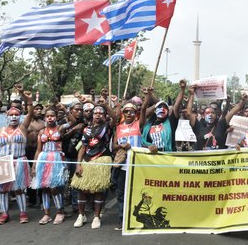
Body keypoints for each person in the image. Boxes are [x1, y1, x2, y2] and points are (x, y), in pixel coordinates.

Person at [0, 86, 34, 225]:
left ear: (20, 116)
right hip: (2, 162)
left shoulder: (23, 127)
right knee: (3, 190)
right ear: (7, 115)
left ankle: (23, 213)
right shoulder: (1, 130)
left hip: (18, 162)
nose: (13, 117)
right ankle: (4, 214)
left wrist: (27, 99)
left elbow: (30, 113)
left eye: (16, 114)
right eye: (11, 114)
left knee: (18, 189)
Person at [71, 100, 117, 229]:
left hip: (102, 159)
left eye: (100, 113)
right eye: (95, 113)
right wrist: (78, 164)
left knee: (98, 190)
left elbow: (115, 117)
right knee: (82, 189)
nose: (97, 115)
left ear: (104, 115)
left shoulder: (108, 126)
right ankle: (81, 215)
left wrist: (106, 105)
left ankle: (96, 217)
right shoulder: (87, 129)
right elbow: (82, 147)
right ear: (92, 115)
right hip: (86, 160)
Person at [31, 104, 75, 225]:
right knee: (44, 188)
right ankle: (46, 214)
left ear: (56, 117)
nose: (50, 118)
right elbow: (38, 150)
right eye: (47, 116)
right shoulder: (41, 132)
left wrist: (65, 110)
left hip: (57, 158)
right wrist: (34, 165)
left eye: (52, 116)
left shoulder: (60, 128)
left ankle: (60, 212)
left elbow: (73, 121)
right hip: (43, 159)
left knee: (55, 187)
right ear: (45, 118)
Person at [111, 100, 145, 230]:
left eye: (131, 111)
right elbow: (113, 146)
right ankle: (122, 220)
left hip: (137, 165)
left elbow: (145, 108)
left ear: (135, 113)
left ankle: (137, 219)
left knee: (138, 193)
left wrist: (146, 97)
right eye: (126, 111)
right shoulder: (119, 128)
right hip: (122, 166)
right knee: (121, 194)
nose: (128, 113)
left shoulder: (139, 124)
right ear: (123, 113)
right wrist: (121, 146)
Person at [186, 85, 248, 150]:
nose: (210, 115)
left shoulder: (221, 125)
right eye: (207, 113)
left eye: (212, 113)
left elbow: (232, 112)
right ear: (203, 116)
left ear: (216, 116)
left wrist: (243, 101)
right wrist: (191, 94)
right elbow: (188, 114)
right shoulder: (198, 126)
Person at [140, 81, 185, 152]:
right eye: (160, 107)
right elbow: (143, 110)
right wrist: (149, 95)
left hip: (168, 157)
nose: (162, 109)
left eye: (165, 107)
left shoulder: (171, 122)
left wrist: (182, 89)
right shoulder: (148, 124)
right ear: (154, 111)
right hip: (151, 158)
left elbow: (176, 105)